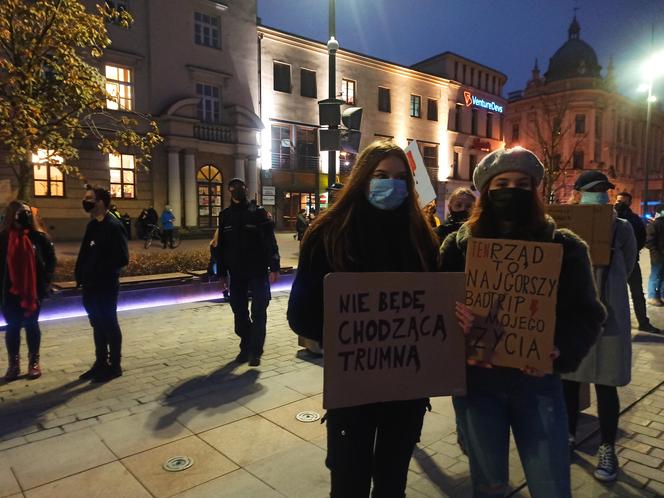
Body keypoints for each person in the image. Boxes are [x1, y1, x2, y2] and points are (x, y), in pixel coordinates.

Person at [440, 147, 606, 497]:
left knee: (551, 483)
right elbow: (434, 316)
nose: (512, 190)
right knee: (489, 485)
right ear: (486, 191)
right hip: (477, 385)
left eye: (522, 184)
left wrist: (559, 349)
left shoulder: (565, 247)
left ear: (535, 192)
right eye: (502, 183)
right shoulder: (456, 248)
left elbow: (588, 314)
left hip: (539, 385)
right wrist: (455, 323)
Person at [288, 140, 439, 497]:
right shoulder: (328, 234)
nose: (392, 184)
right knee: (348, 483)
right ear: (362, 179)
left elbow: (436, 308)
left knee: (392, 483)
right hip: (353, 389)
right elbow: (302, 316)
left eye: (401, 178)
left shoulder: (422, 237)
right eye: (382, 175)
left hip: (406, 389)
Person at [561, 170, 636, 482]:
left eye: (604, 190)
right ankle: (566, 435)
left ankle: (607, 447)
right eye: (593, 190)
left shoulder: (622, 228)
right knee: (568, 381)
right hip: (573, 318)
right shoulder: (564, 226)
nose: (600, 196)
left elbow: (629, 265)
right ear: (577, 193)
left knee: (606, 385)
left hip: (609, 320)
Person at [216, 178, 280, 367]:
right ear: (229, 190)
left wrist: (274, 266)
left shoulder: (258, 213)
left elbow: (270, 241)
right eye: (234, 187)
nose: (238, 190)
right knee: (239, 311)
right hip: (236, 272)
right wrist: (221, 274)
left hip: (258, 271)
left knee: (259, 310)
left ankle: (255, 352)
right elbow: (222, 247)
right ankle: (247, 345)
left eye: (241, 187)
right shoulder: (225, 215)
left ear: (246, 189)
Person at [76, 185, 129, 383]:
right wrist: (80, 275)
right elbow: (84, 253)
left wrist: (100, 271)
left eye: (90, 198)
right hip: (90, 285)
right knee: (97, 324)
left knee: (109, 323)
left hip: (106, 285)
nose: (86, 201)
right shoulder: (92, 226)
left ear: (100, 202)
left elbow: (122, 258)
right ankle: (100, 363)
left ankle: (114, 365)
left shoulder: (114, 226)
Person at [1, 201, 56, 381]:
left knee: (32, 325)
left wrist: (46, 282)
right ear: (11, 215)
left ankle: (34, 362)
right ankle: (13, 365)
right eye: (19, 212)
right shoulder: (3, 238)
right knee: (13, 326)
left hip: (32, 292)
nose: (24, 215)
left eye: (26, 212)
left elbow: (50, 261)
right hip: (9, 291)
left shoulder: (39, 237)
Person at [615, 192, 660, 333]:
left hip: (631, 261)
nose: (619, 203)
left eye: (622, 201)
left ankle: (643, 322)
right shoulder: (609, 216)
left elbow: (641, 238)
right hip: (614, 262)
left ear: (629, 203)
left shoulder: (634, 219)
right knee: (613, 292)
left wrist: (631, 252)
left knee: (637, 293)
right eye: (618, 200)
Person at [646, 205, 664, 306]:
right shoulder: (655, 224)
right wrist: (655, 251)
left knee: (661, 276)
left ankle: (661, 295)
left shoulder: (655, 223)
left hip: (659, 254)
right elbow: (649, 241)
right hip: (657, 256)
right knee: (655, 275)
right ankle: (652, 296)